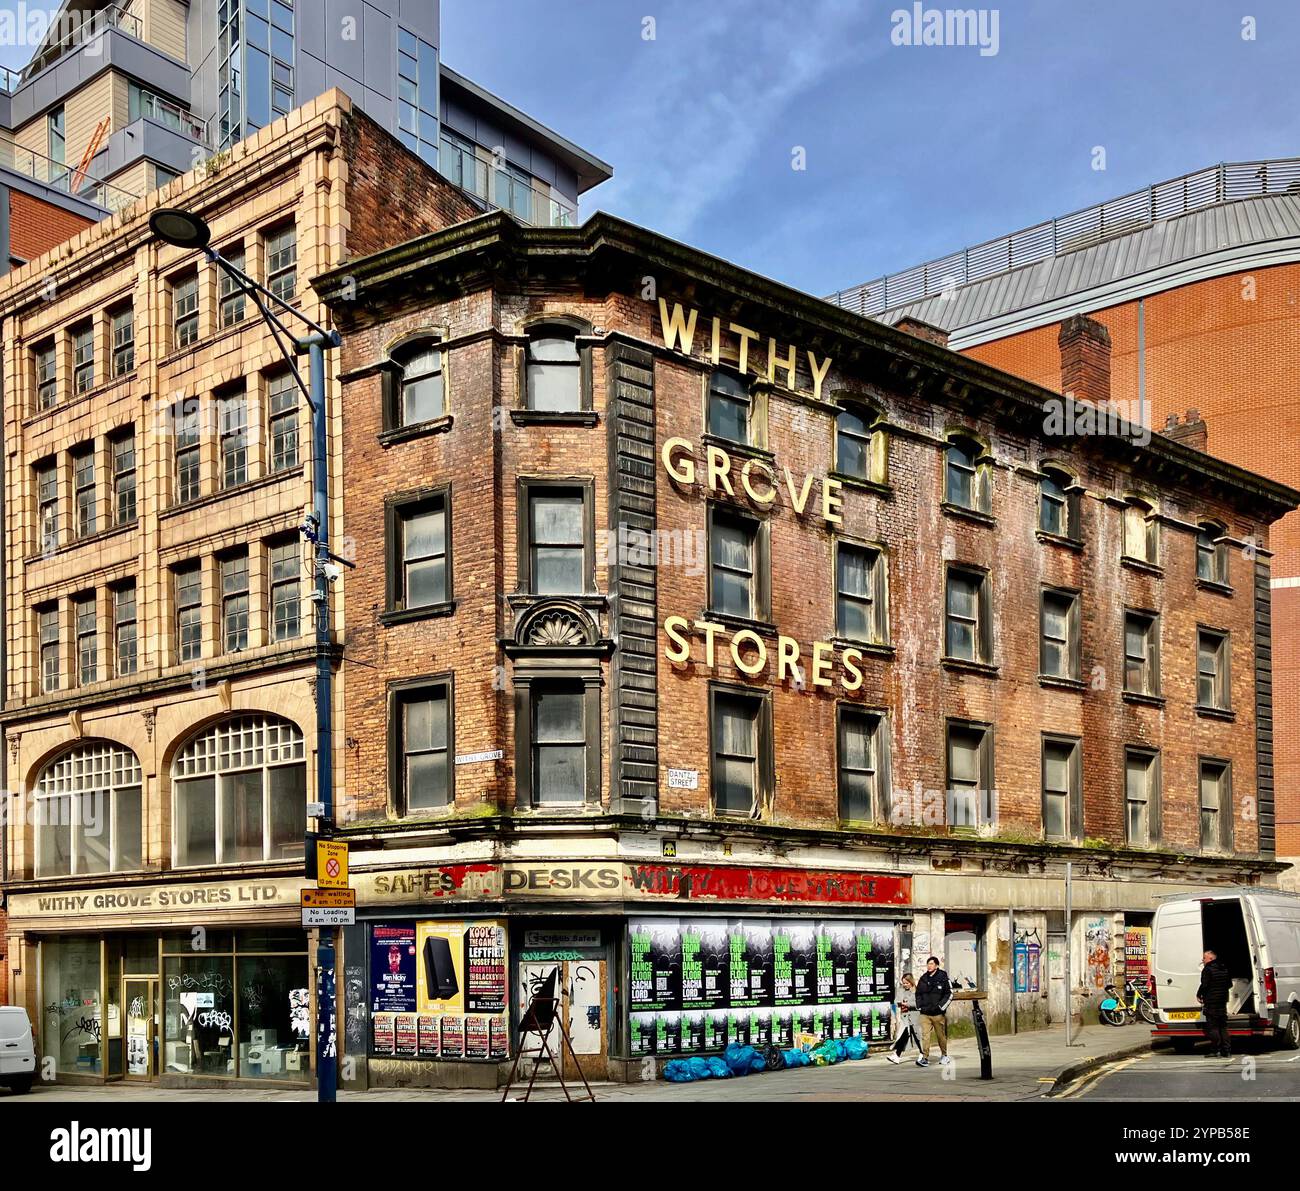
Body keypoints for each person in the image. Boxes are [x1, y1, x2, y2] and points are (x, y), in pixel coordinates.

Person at [914, 955, 953, 1067]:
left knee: (941, 1035)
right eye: (928, 964)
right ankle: (925, 1058)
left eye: (931, 964)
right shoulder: (923, 978)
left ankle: (944, 1055)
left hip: (938, 1014)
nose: (929, 966)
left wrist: (941, 1007)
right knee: (925, 1036)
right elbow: (918, 994)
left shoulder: (943, 977)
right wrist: (919, 1006)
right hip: (925, 1013)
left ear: (936, 965)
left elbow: (949, 993)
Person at [1196, 948, 1233, 1058]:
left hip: (1211, 1001)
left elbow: (1204, 984)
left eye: (1204, 958)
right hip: (1222, 1000)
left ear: (1211, 958)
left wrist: (1199, 994)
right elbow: (1229, 984)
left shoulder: (1207, 969)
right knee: (1223, 1026)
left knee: (1213, 1027)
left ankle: (1214, 1050)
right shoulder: (1224, 968)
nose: (1203, 960)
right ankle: (1226, 1050)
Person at [886, 973, 921, 1064]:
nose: (905, 985)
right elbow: (896, 1000)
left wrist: (908, 1004)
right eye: (903, 983)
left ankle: (922, 1053)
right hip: (905, 1017)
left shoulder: (917, 991)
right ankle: (897, 1055)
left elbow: (919, 1004)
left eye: (906, 983)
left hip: (915, 1017)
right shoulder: (901, 991)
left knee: (917, 1037)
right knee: (904, 1036)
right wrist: (899, 1002)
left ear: (911, 982)